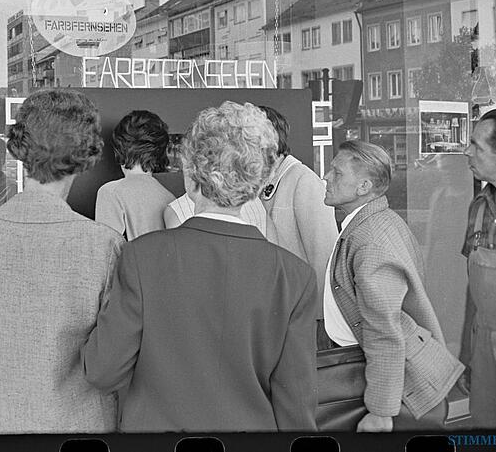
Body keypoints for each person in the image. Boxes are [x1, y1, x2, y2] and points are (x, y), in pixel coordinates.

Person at [83, 101, 317, 432]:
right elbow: (296, 408)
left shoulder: (141, 258)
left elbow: (102, 371)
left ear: (192, 177)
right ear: (256, 182)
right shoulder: (295, 277)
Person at [0, 88, 123, 433]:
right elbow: (113, 361)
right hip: (86, 425)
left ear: (21, 151)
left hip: (2, 422)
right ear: (85, 155)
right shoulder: (105, 246)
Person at [321, 140, 462, 432]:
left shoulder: (370, 239)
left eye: (337, 173)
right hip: (383, 370)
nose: (326, 177)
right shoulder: (375, 222)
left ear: (363, 187)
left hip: (396, 388)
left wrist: (381, 411)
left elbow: (384, 329)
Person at [459, 108, 496, 428]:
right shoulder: (478, 207)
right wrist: (467, 354)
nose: (467, 151)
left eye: (476, 145)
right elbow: (472, 290)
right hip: (485, 350)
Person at [258, 105, 338, 311]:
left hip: (301, 311)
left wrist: (320, 318)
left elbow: (323, 257)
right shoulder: (257, 181)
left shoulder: (304, 181)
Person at [95, 110, 175, 240]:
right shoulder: (169, 198)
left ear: (119, 149)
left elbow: (106, 247)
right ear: (160, 152)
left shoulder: (111, 192)